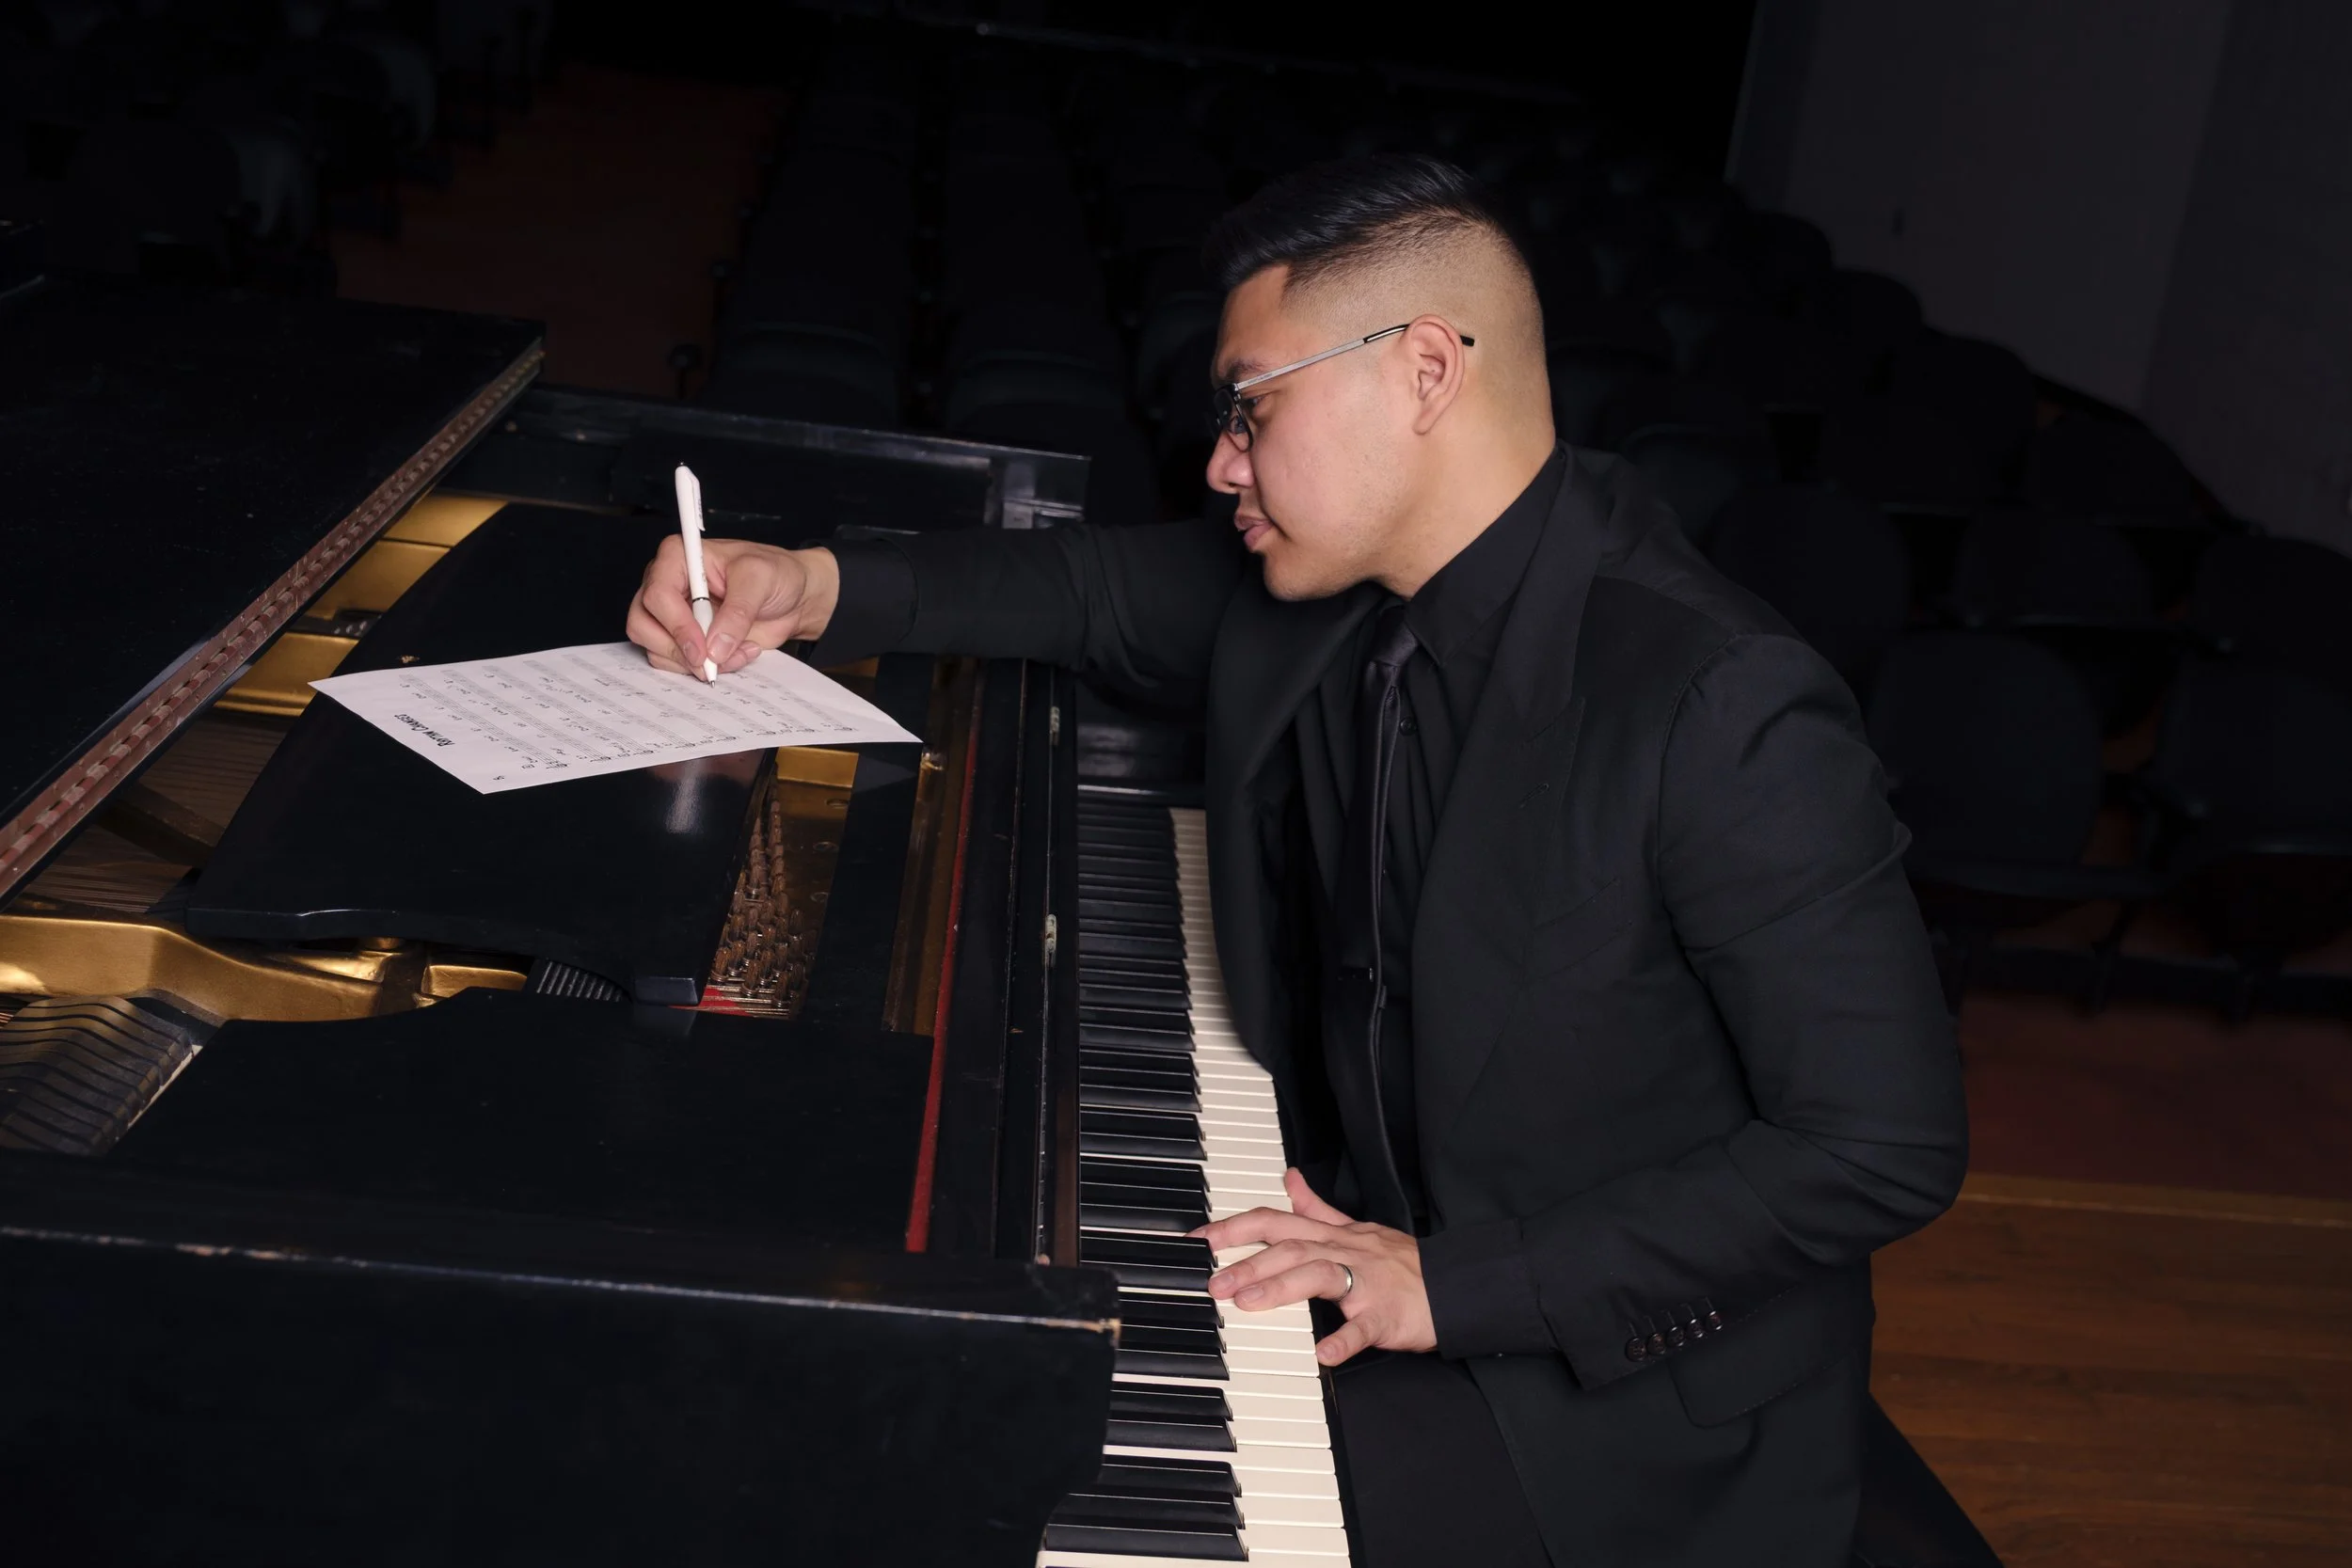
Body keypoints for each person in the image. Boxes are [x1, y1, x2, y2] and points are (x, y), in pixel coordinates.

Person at [626, 155, 1968, 1568]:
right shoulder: (1333, 581)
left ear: (1426, 372)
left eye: (1252, 407)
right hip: (1362, 1239)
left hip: (1616, 1409)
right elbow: (1085, 588)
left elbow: (1881, 1147)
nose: (1221, 460)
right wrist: (815, 584)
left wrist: (1459, 1282)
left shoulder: (1721, 699)